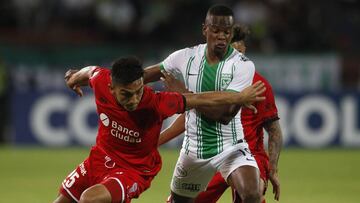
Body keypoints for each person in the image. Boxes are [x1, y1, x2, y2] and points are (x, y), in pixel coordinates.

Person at [53, 56, 266, 203]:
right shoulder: (100, 80)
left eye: (138, 91)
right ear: (111, 88)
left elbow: (200, 99)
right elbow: (89, 71)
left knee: (90, 199)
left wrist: (239, 97)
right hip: (98, 159)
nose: (134, 99)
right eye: (126, 94)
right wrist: (73, 78)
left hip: (134, 170)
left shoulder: (156, 102)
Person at [143, 5, 262, 203]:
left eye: (227, 32)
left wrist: (182, 94)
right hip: (193, 151)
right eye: (216, 30)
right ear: (205, 29)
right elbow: (145, 75)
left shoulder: (242, 65)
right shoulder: (184, 57)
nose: (222, 36)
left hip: (230, 146)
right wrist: (100, 78)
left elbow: (224, 115)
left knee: (251, 193)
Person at [159, 24, 283, 203]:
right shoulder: (206, 80)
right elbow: (191, 114)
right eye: (233, 50)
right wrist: (156, 142)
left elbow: (274, 129)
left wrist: (272, 169)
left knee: (250, 194)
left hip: (248, 154)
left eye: (241, 50)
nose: (237, 55)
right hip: (213, 152)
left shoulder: (258, 84)